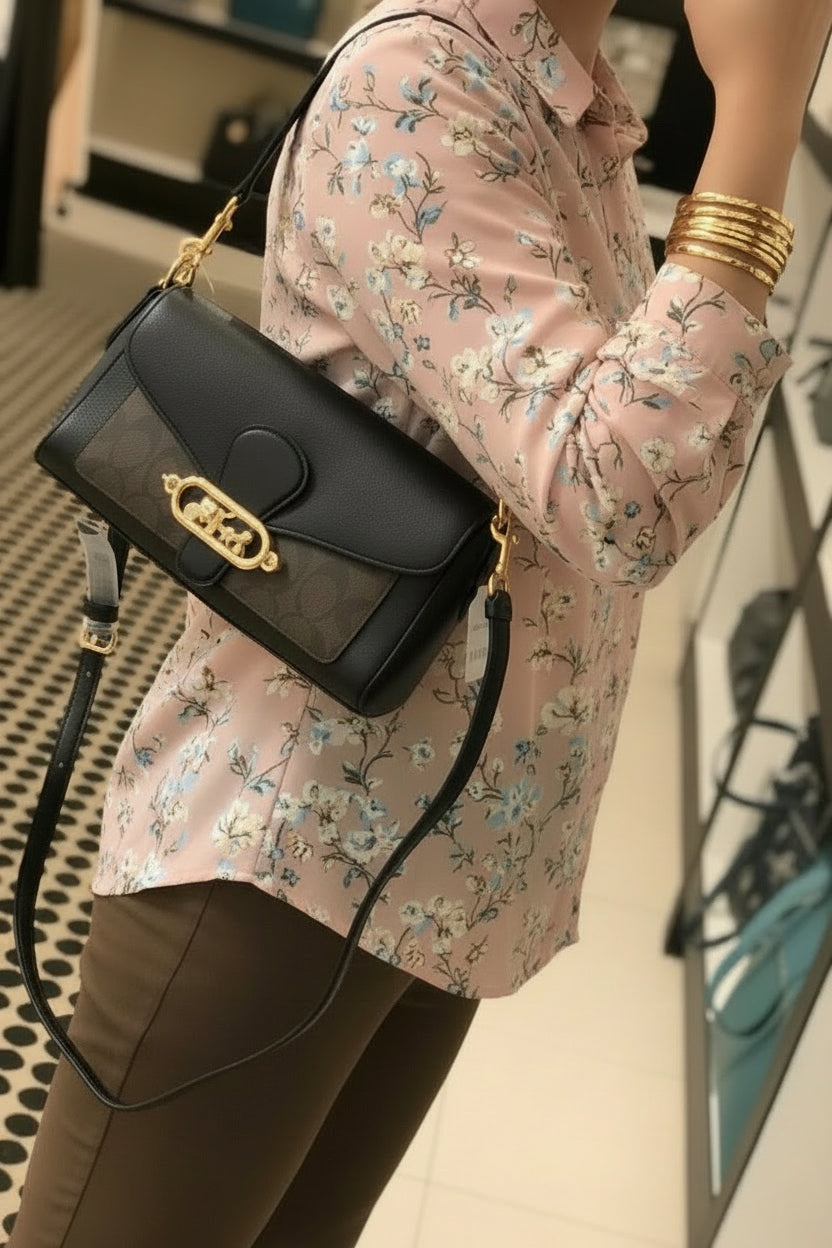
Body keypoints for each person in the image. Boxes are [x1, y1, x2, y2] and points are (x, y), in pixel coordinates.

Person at [9, 0, 832, 1243]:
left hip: (443, 871)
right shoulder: (423, 79)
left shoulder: (571, 109)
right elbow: (622, 499)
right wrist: (763, 106)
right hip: (290, 859)